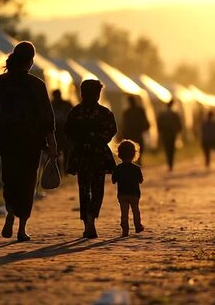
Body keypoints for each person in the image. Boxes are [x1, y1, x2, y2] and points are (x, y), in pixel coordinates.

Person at [0, 41, 57, 242]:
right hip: (31, 140)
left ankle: (10, 212)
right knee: (27, 181)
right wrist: (52, 143)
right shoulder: (36, 84)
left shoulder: (2, 81)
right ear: (31, 62)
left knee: (10, 176)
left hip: (6, 137)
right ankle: (21, 228)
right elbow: (46, 117)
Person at [65, 79, 117, 239]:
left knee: (83, 189)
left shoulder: (75, 112)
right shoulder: (105, 113)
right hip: (98, 156)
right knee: (97, 190)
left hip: (81, 155)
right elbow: (112, 131)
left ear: (81, 93)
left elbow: (68, 131)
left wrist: (82, 140)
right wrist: (97, 140)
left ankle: (87, 223)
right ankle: (91, 219)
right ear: (98, 94)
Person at [111, 140, 145, 237]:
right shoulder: (136, 168)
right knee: (135, 210)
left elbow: (114, 181)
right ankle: (138, 225)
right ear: (134, 154)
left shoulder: (117, 168)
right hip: (134, 194)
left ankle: (125, 229)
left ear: (119, 154)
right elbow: (140, 180)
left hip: (122, 194)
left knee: (124, 212)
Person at [121, 96, 150, 164]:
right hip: (138, 132)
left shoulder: (127, 112)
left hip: (131, 133)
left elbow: (125, 124)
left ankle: (135, 160)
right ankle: (138, 160)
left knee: (132, 147)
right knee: (139, 146)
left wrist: (124, 133)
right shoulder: (140, 110)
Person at [156, 99, 182, 171]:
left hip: (165, 134)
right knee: (171, 149)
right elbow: (179, 125)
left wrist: (160, 132)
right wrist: (176, 131)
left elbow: (159, 124)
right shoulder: (174, 114)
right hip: (172, 134)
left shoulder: (162, 114)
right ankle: (171, 163)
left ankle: (169, 163)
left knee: (167, 149)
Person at [51, 89, 73, 174]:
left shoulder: (53, 105)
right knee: (59, 151)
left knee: (65, 151)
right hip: (57, 131)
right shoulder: (52, 105)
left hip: (62, 130)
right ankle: (61, 170)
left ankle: (63, 170)